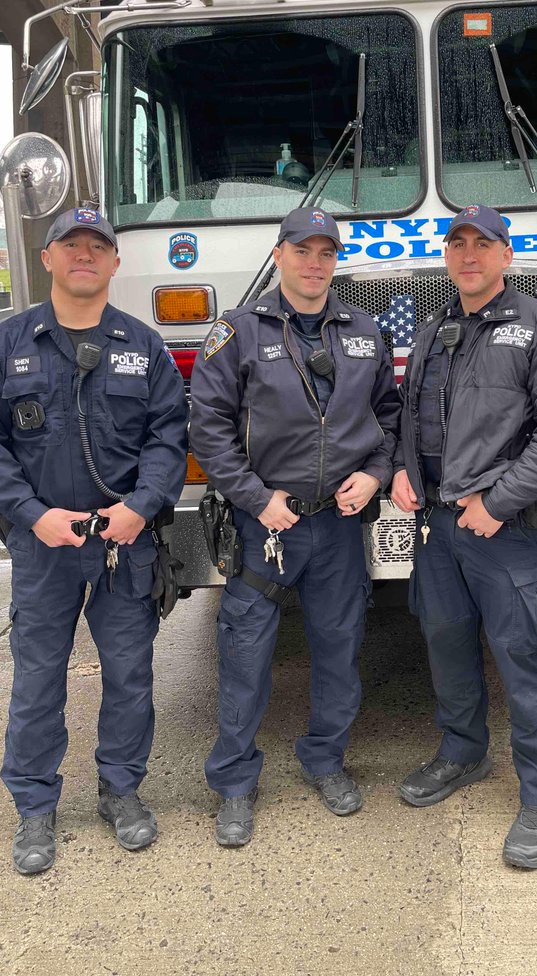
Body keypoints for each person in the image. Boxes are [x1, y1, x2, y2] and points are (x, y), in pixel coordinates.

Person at [0, 207, 188, 875]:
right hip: (44, 545)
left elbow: (168, 438)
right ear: (48, 258)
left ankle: (121, 792)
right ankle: (35, 807)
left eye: (99, 246)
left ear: (116, 263)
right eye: (72, 245)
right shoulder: (6, 343)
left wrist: (141, 508)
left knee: (129, 675)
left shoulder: (143, 347)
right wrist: (31, 514)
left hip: (124, 543)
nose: (85, 255)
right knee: (37, 678)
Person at [391, 205, 537, 870]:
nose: (470, 255)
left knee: (523, 660)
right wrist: (402, 469)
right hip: (439, 530)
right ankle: (462, 754)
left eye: (485, 244)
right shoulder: (435, 329)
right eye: (459, 244)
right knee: (446, 645)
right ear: (447, 257)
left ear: (507, 256)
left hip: (503, 533)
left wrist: (500, 502)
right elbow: (412, 415)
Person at [190, 206, 400, 846]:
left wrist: (376, 474)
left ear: (336, 261)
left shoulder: (365, 330)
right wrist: (254, 499)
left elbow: (390, 416)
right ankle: (232, 783)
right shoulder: (239, 332)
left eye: (326, 253)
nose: (314, 264)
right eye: (302, 251)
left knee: (339, 651)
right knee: (246, 657)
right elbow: (209, 427)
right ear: (278, 255)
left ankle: (326, 759)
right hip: (267, 527)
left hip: (338, 525)